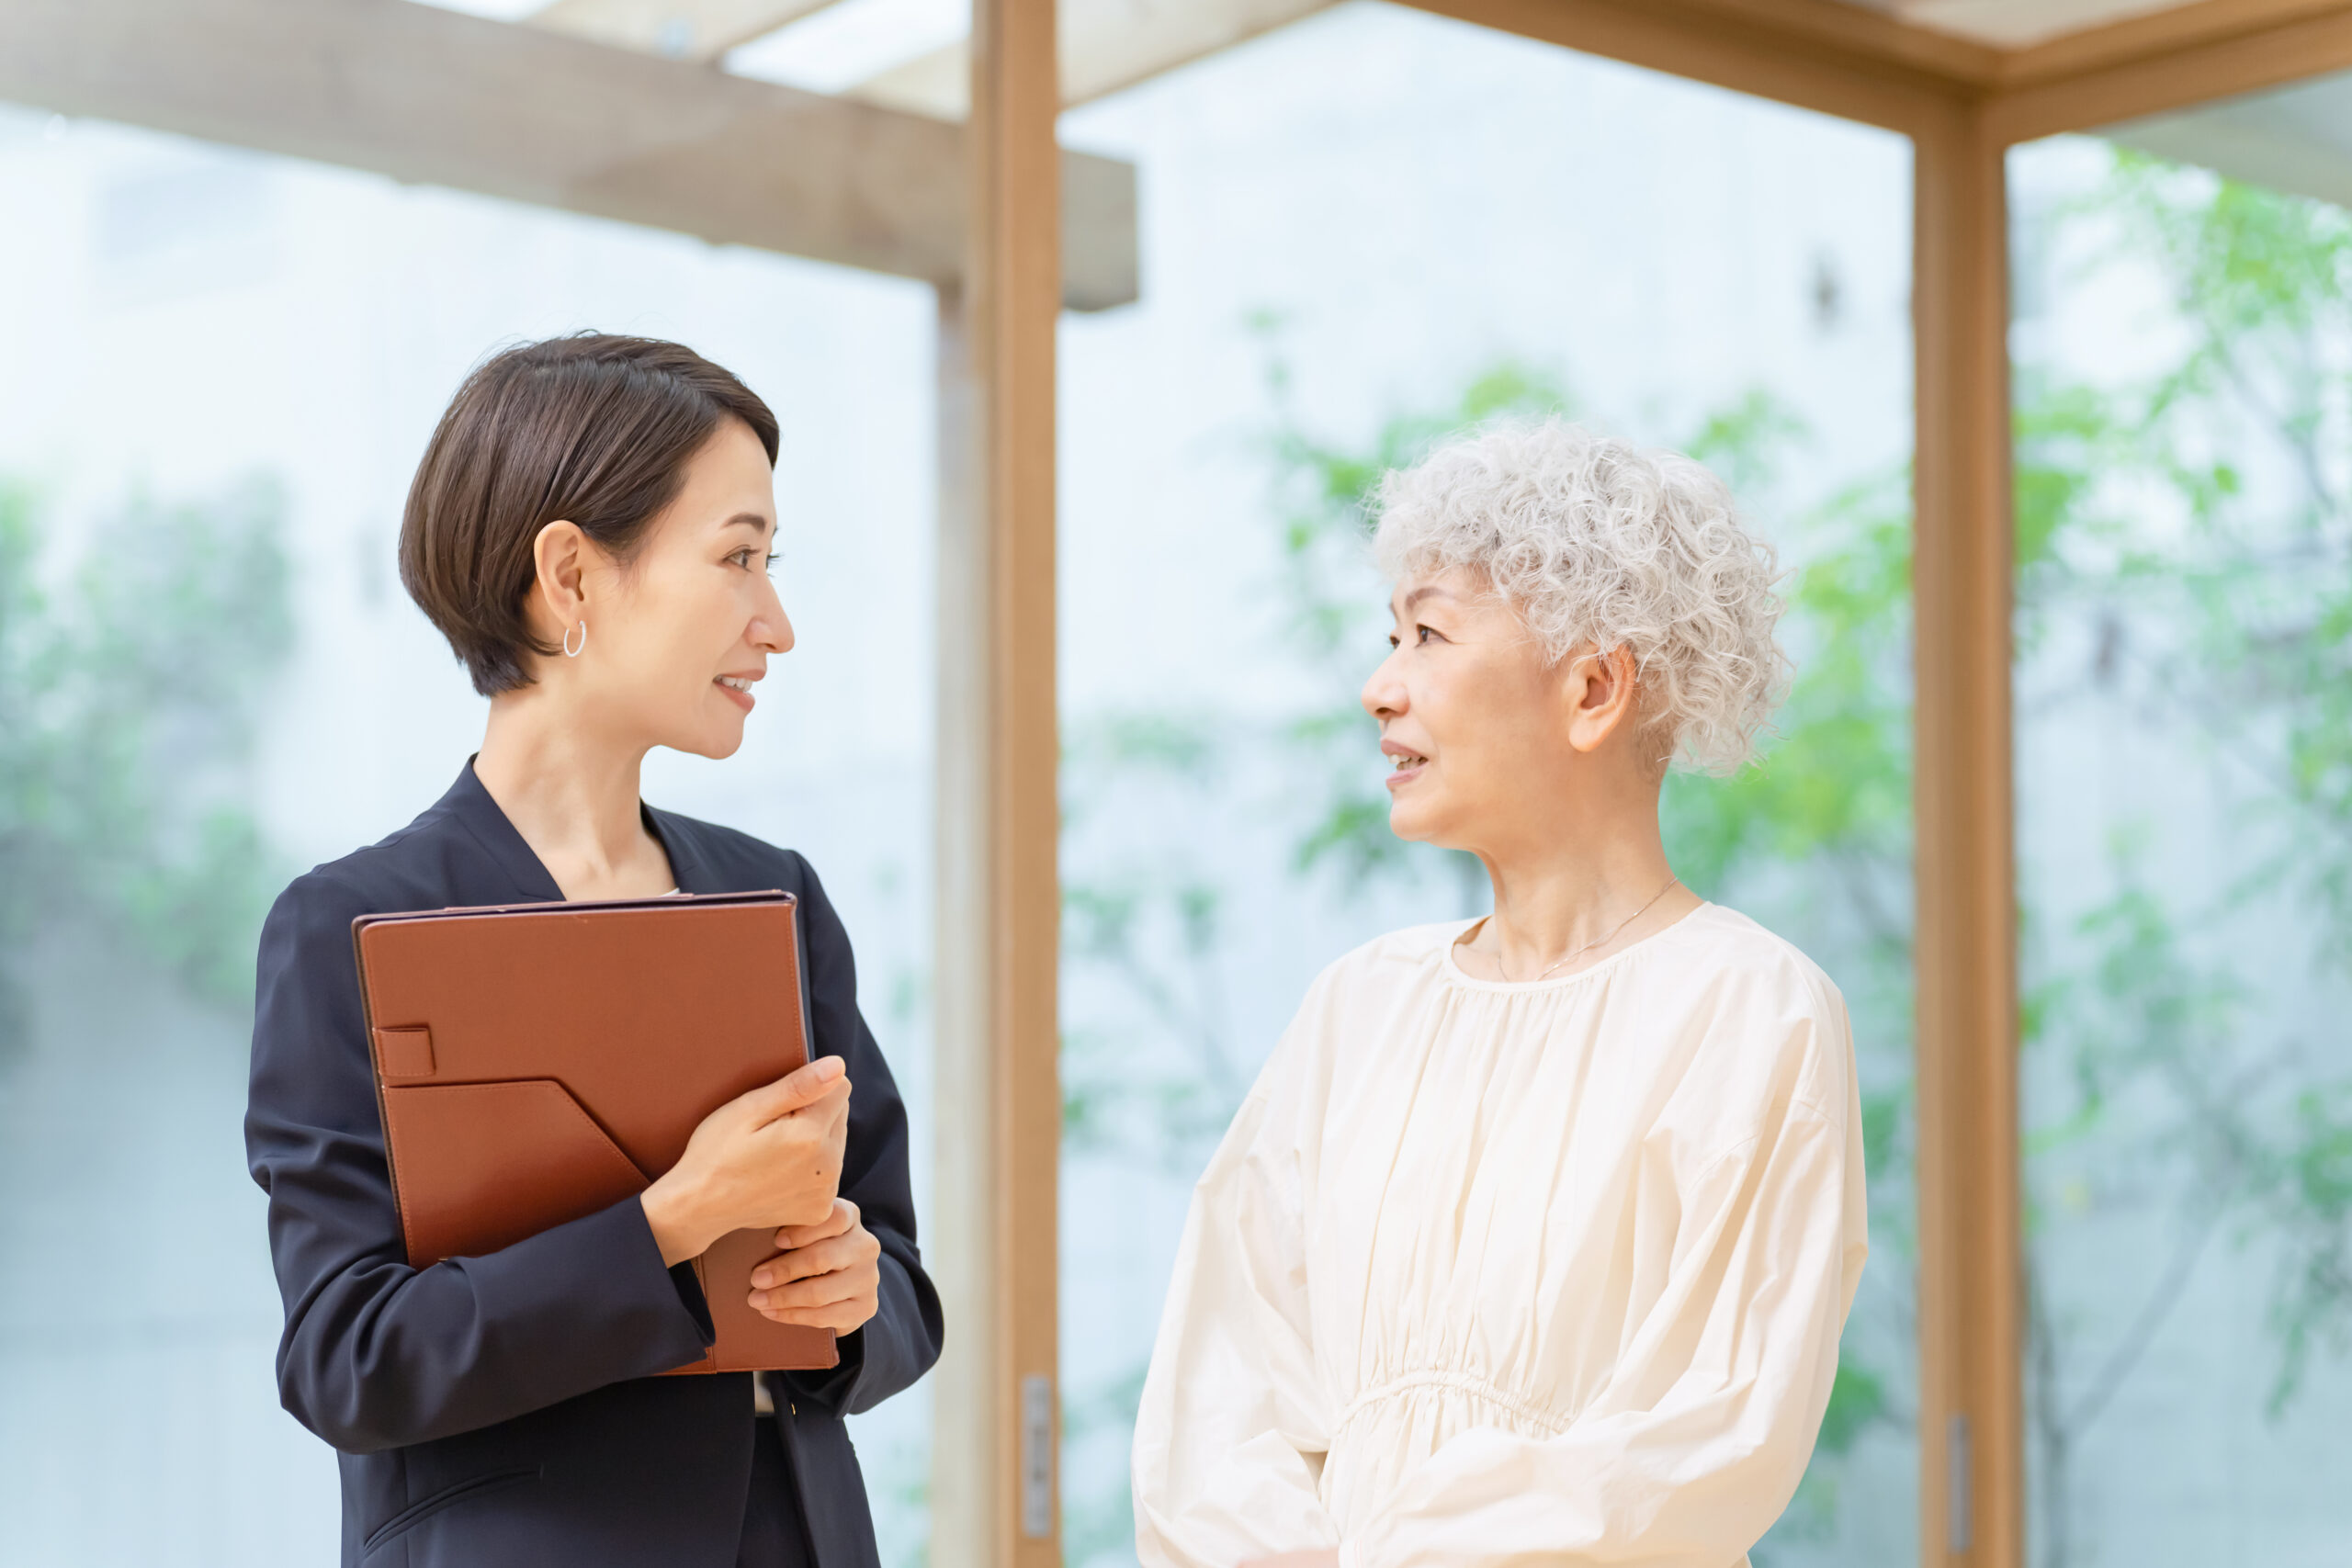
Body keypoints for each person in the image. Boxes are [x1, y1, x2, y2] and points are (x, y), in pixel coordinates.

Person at [245, 333, 942, 1568]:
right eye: (737, 556)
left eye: (771, 563)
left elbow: (901, 1291)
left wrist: (848, 1302)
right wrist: (670, 1220)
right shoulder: (346, 926)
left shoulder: (771, 893)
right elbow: (348, 1357)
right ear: (569, 572)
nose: (773, 621)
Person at [1131, 422, 1868, 1568]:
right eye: (1391, 637)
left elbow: (1710, 1434)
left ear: (1591, 687)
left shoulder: (1751, 1012)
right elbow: (1221, 1400)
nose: (1380, 688)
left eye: (1427, 633)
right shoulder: (1354, 1011)